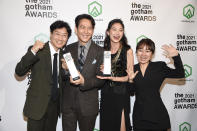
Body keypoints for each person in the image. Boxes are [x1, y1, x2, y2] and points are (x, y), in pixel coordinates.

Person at [15, 20, 72, 131]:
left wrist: (66, 70)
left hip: (54, 107)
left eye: (64, 35)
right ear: (51, 34)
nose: (60, 38)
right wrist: (33, 51)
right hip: (37, 106)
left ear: (67, 38)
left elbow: (64, 80)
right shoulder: (38, 50)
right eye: (57, 34)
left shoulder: (65, 56)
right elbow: (19, 71)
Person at [128, 38, 185, 131]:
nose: (143, 54)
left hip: (158, 115)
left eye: (147, 51)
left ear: (152, 54)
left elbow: (180, 74)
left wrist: (176, 56)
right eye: (140, 50)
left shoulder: (159, 66)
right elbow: (131, 92)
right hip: (139, 116)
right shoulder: (132, 69)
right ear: (136, 52)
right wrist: (130, 80)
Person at [61, 14, 104, 131]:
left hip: (88, 106)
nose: (86, 31)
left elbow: (101, 80)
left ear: (93, 30)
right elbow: (61, 76)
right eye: (82, 27)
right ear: (76, 29)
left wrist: (84, 81)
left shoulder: (101, 52)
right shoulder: (67, 49)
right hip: (68, 105)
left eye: (89, 28)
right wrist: (65, 70)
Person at [96, 19, 135, 131]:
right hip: (106, 94)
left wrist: (112, 77)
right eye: (114, 29)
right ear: (108, 32)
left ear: (123, 33)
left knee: (121, 126)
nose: (117, 33)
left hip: (121, 94)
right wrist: (101, 70)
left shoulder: (128, 50)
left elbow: (129, 77)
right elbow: (99, 73)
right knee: (107, 125)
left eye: (120, 30)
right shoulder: (104, 50)